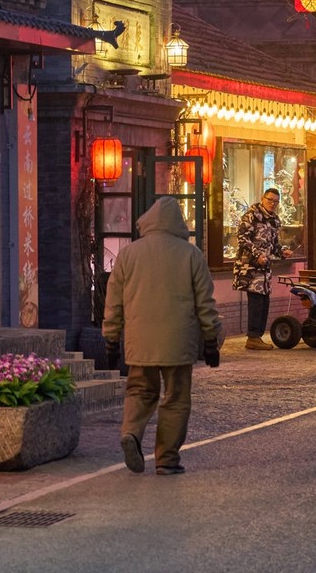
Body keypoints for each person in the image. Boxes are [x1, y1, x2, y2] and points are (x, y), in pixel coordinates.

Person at [103, 197, 221, 475]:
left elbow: (114, 300)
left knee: (139, 391)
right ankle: (167, 459)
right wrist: (211, 340)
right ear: (177, 224)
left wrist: (110, 338)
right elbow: (205, 303)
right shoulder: (191, 255)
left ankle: (131, 433)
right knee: (176, 398)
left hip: (139, 340)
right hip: (178, 341)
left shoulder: (129, 254)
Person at [232, 186, 285, 350]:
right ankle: (253, 337)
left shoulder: (274, 220)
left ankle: (258, 336)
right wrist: (257, 255)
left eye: (276, 201)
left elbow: (274, 245)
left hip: (265, 269)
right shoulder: (251, 216)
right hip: (251, 267)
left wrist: (282, 252)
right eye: (269, 200)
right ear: (262, 198)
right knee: (255, 301)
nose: (272, 204)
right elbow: (242, 238)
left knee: (264, 302)